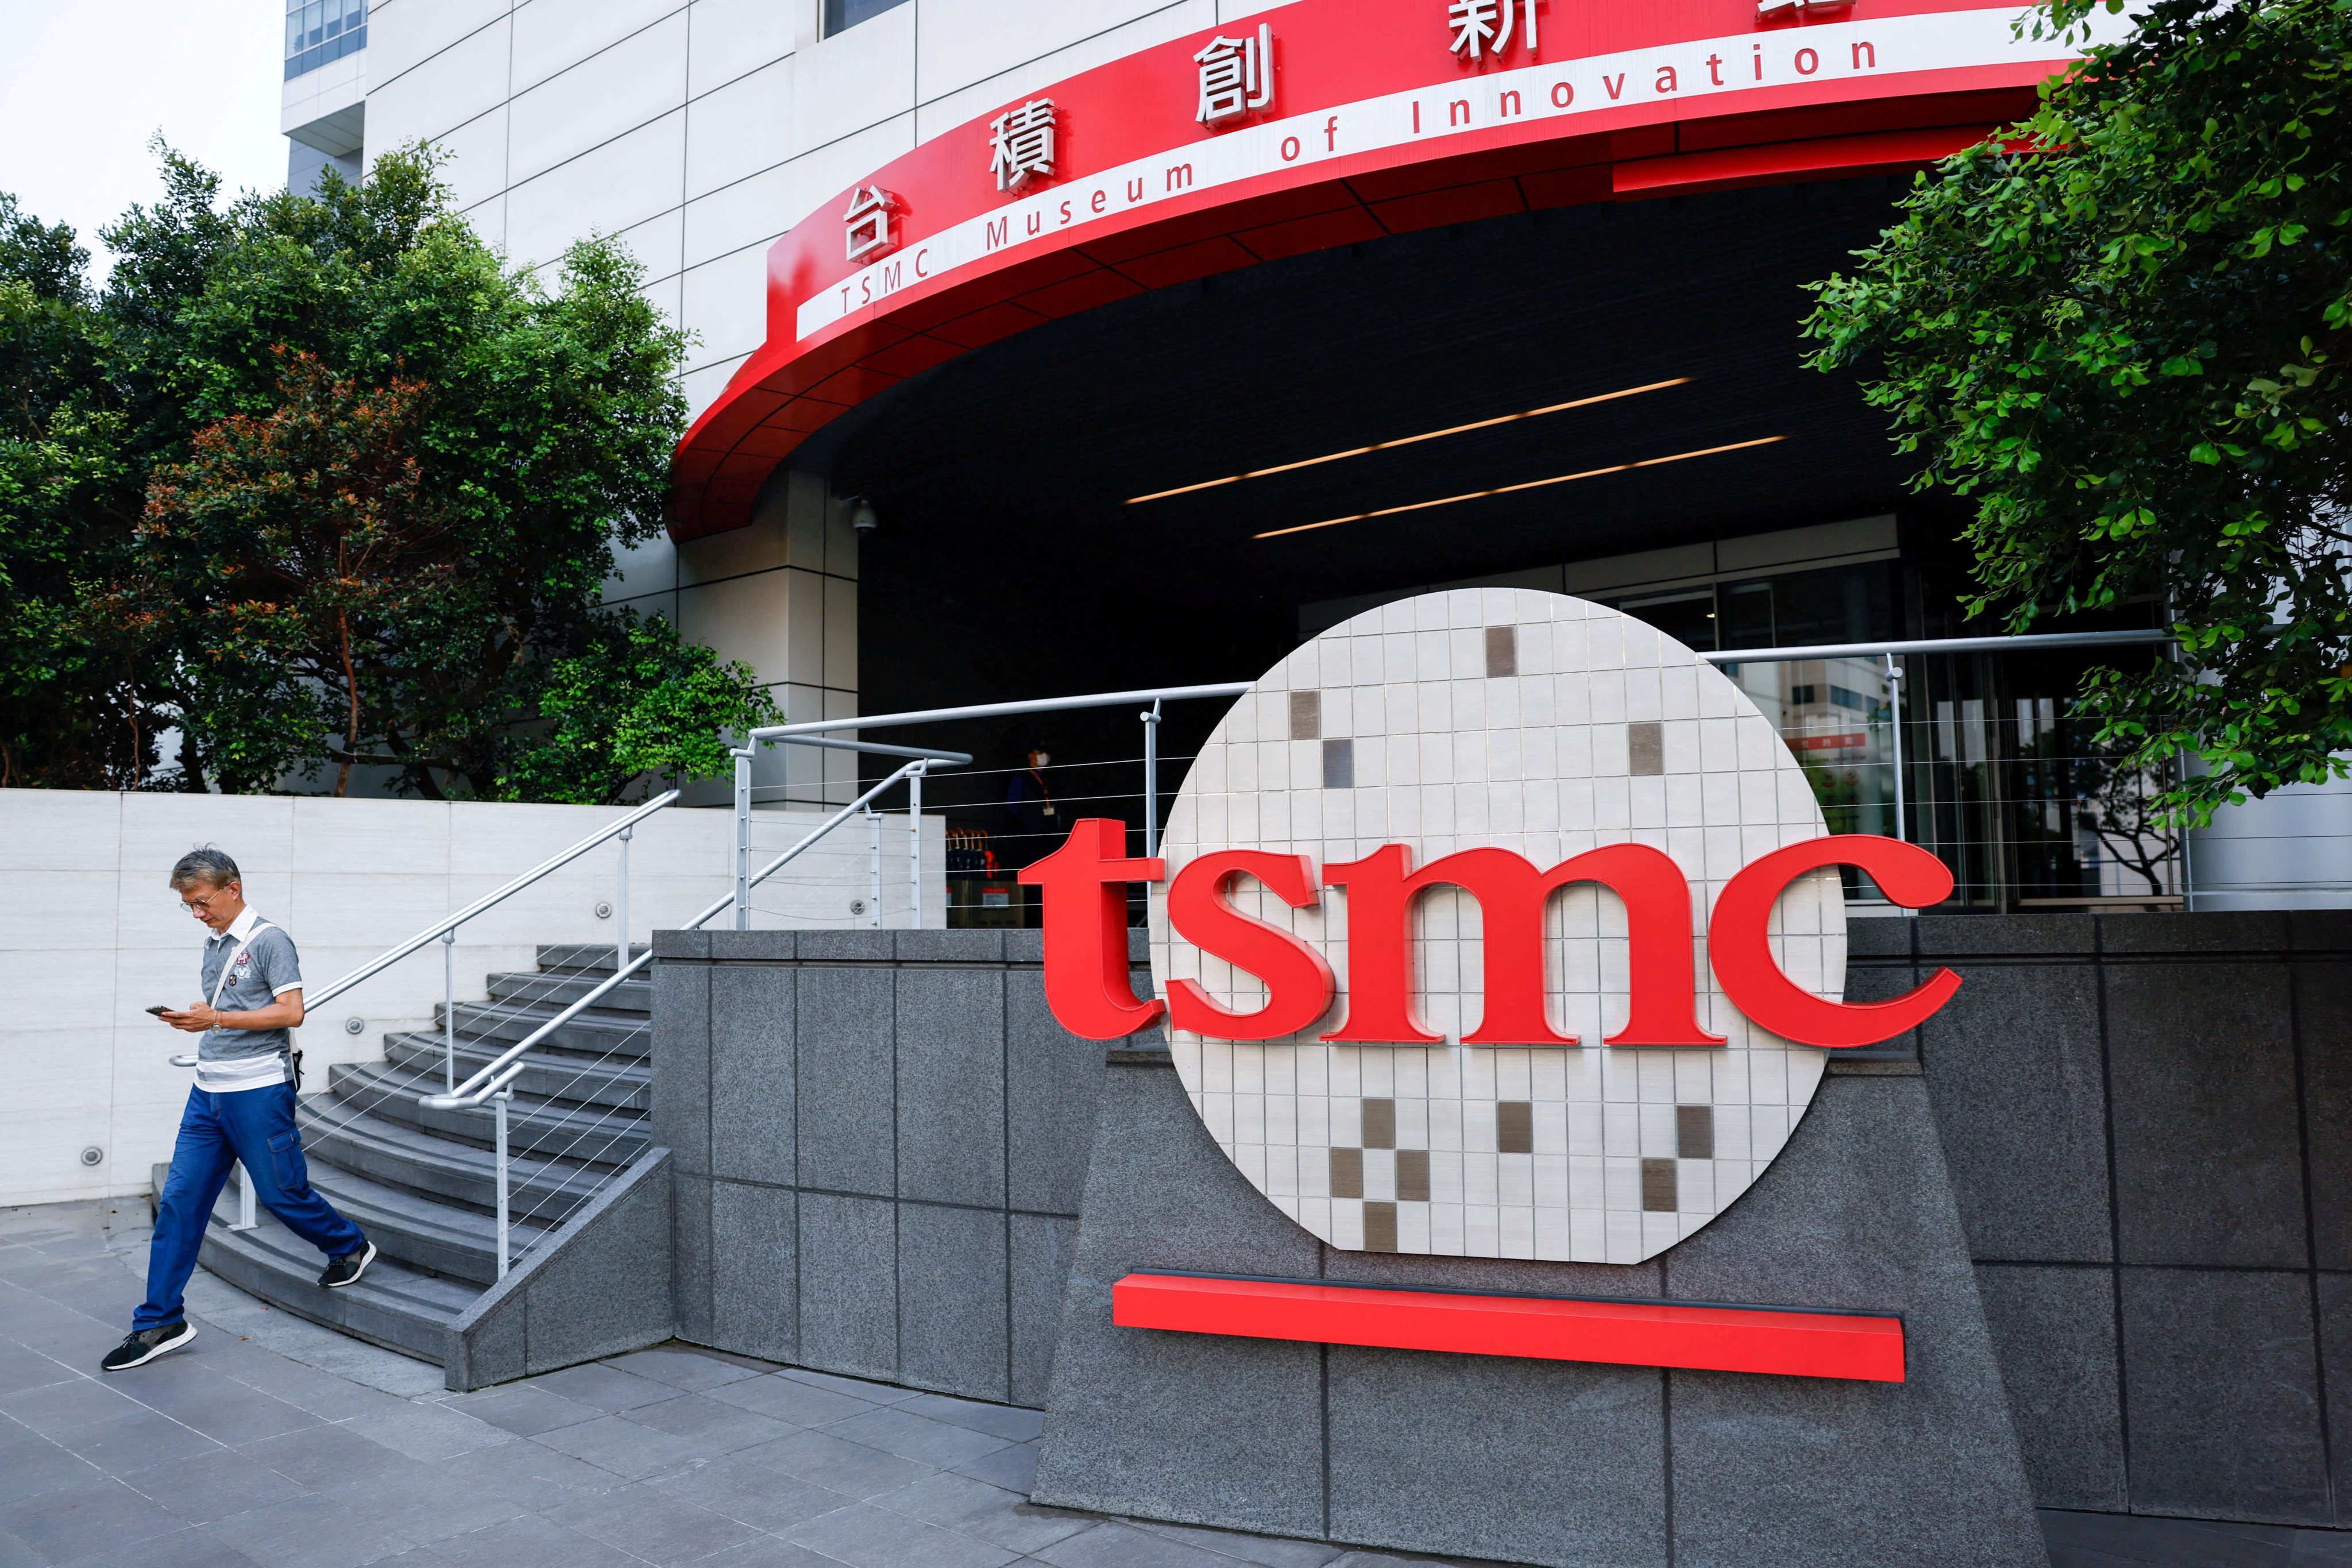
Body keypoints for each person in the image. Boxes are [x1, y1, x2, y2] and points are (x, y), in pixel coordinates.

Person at [102, 849, 374, 1372]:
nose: (197, 913)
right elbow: (227, 1011)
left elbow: (292, 1011)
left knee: (280, 1194)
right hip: (207, 1091)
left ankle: (349, 1245)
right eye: (189, 906)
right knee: (179, 1203)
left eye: (203, 902)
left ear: (233, 888)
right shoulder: (214, 943)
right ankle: (159, 1321)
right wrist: (201, 1019)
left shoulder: (270, 941)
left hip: (258, 1091)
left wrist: (217, 1020)